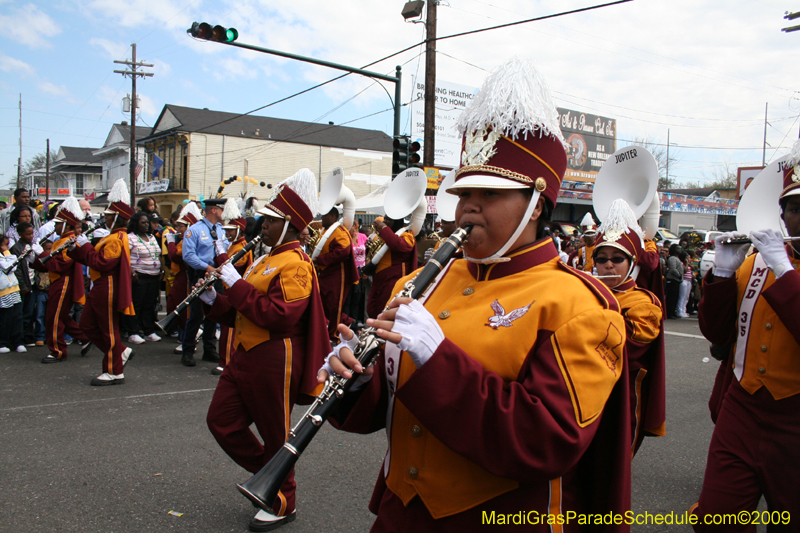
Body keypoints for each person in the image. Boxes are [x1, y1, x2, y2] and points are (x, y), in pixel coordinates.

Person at [321, 57, 630, 532]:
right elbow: (389, 407)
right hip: (399, 513)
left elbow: (547, 440)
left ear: (535, 204)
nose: (468, 206)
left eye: (490, 193)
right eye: (465, 192)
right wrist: (357, 380)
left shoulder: (579, 304)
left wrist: (437, 359)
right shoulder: (419, 282)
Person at [202, 169, 329, 532]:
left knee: (276, 433)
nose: (264, 226)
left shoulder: (298, 264)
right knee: (221, 421)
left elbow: (278, 315)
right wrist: (215, 295)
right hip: (244, 353)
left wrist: (237, 285)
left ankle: (283, 499)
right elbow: (243, 305)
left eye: (272, 221)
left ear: (290, 224)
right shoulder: (264, 258)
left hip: (276, 357)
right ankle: (269, 475)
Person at [690, 146, 800, 531]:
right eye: (796, 208)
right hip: (743, 406)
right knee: (717, 519)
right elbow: (717, 335)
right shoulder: (755, 262)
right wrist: (721, 277)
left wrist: (786, 272)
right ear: (783, 216)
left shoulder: (776, 262)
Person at [592, 199, 666, 457]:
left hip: (620, 402)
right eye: (601, 259)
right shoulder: (584, 292)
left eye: (617, 258)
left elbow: (626, 346)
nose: (608, 265)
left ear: (632, 263)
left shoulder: (644, 302)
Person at [67, 179, 135, 386]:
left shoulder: (116, 238)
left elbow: (102, 263)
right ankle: (120, 351)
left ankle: (114, 370)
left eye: (108, 216)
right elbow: (93, 260)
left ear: (117, 218)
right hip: (101, 285)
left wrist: (86, 246)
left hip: (108, 286)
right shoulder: (111, 236)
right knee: (87, 324)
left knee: (108, 329)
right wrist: (76, 250)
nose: (104, 218)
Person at [31, 198, 90, 363]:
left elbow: (59, 265)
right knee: (62, 316)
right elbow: (48, 265)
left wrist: (41, 254)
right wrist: (33, 257)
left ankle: (58, 350)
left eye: (58, 223)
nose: (55, 226)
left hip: (64, 283)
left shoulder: (69, 241)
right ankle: (85, 338)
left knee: (54, 317)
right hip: (58, 281)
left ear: (67, 225)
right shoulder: (60, 240)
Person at [180, 197, 226, 367]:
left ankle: (209, 349)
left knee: (214, 313)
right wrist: (207, 267)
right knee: (196, 315)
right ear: (214, 210)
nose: (224, 212)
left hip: (218, 275)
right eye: (222, 209)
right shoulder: (195, 230)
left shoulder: (221, 230)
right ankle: (188, 350)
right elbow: (188, 255)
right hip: (201, 274)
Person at [211, 198, 253, 376]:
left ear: (239, 230)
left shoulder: (242, 247)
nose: (227, 234)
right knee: (226, 327)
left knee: (229, 331)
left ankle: (227, 361)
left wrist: (220, 252)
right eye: (226, 230)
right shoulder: (234, 245)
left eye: (230, 231)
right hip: (228, 290)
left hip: (236, 291)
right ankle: (224, 359)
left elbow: (230, 268)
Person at [313, 207, 358, 340]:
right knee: (324, 303)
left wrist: (321, 259)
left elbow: (344, 250)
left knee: (334, 305)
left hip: (337, 274)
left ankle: (334, 334)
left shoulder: (339, 231)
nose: (322, 219)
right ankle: (347, 321)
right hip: (325, 273)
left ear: (333, 216)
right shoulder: (325, 231)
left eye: (325, 216)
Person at [365, 215, 417, 320]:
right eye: (385, 220)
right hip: (378, 278)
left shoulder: (406, 235)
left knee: (385, 308)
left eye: (389, 220)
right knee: (372, 309)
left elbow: (401, 246)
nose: (386, 222)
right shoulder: (384, 236)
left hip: (393, 280)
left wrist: (384, 228)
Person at [165, 203, 200, 355]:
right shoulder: (183, 238)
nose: (178, 229)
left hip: (186, 277)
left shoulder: (188, 239)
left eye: (181, 226)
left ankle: (191, 337)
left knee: (182, 308)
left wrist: (170, 242)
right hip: (181, 276)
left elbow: (175, 256)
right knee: (174, 304)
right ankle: (189, 336)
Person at [124, 211, 163, 343]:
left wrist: (161, 268)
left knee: (150, 304)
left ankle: (148, 331)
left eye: (147, 222)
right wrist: (132, 272)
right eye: (143, 222)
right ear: (136, 223)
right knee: (137, 304)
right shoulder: (130, 237)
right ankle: (133, 332)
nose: (147, 225)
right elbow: (125, 257)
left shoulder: (151, 237)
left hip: (154, 275)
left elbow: (158, 254)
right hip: (139, 276)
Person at [10, 222, 36, 346]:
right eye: (27, 234)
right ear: (20, 234)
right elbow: (17, 270)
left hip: (32, 283)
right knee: (21, 313)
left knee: (30, 312)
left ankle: (28, 335)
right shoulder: (16, 248)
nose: (31, 236)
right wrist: (23, 286)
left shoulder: (33, 245)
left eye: (32, 233)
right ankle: (20, 338)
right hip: (24, 285)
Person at [0, 234, 25, 353]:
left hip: (14, 289)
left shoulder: (5, 255)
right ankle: (2, 343)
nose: (7, 247)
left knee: (17, 317)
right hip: (3, 291)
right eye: (5, 244)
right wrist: (7, 253)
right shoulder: (5, 256)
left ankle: (18, 342)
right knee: (5, 319)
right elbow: (9, 267)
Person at [664, 244, 683, 319]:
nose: (680, 250)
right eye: (678, 248)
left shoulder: (677, 258)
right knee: (671, 297)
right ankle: (669, 312)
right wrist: (679, 274)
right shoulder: (672, 258)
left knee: (675, 297)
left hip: (677, 280)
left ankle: (672, 311)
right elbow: (672, 269)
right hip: (672, 280)